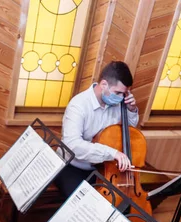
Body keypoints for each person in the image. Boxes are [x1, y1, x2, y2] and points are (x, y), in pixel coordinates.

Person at [54, 61, 139, 197]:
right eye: (118, 92)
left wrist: (131, 110)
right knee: (81, 203)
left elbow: (128, 133)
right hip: (72, 166)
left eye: (124, 94)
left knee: (120, 199)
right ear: (104, 84)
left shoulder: (119, 104)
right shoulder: (78, 105)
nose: (121, 98)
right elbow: (73, 145)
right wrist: (112, 153)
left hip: (102, 167)